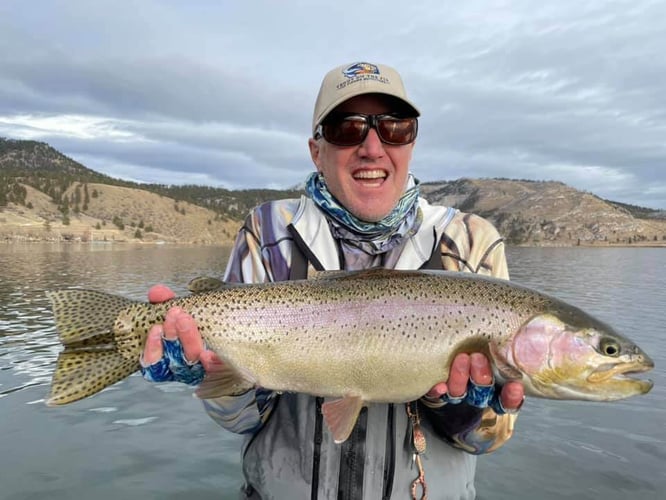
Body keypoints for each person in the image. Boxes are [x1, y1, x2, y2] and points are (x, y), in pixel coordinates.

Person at [140, 61, 525, 500]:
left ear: (412, 143)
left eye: (395, 127)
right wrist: (219, 382)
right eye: (348, 128)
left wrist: (462, 414)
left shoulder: (472, 242)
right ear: (316, 150)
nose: (373, 147)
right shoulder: (268, 233)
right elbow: (242, 420)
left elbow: (490, 438)